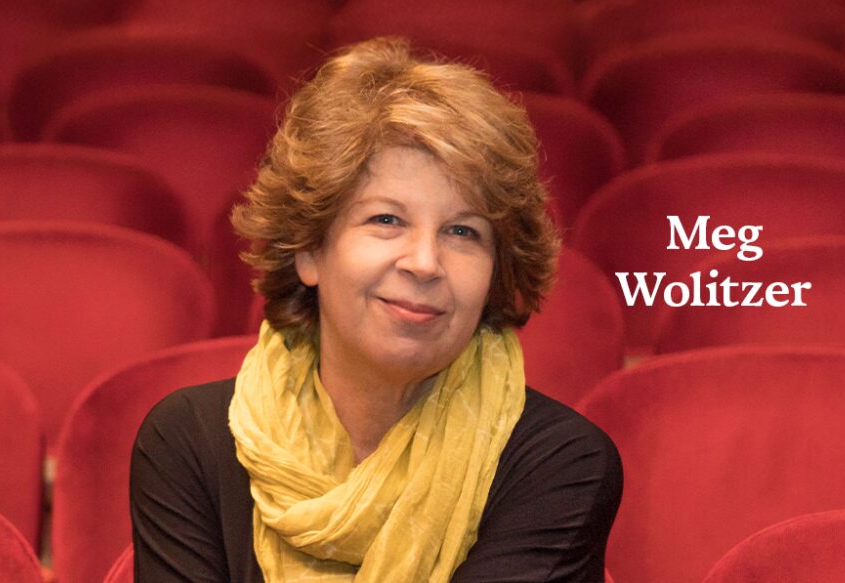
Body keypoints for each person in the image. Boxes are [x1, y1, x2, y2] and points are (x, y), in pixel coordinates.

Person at [130, 37, 622, 582]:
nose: (425, 262)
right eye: (386, 220)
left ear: (496, 276)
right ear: (310, 250)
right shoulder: (189, 441)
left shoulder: (561, 465)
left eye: (463, 232)